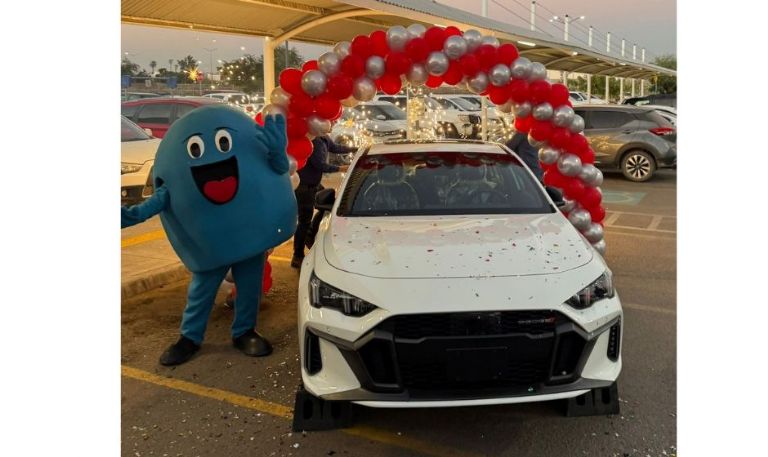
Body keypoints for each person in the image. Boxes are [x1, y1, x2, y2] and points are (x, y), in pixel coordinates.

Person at [121, 107, 297, 366]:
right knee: (201, 291)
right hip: (208, 245)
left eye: (223, 143)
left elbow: (278, 171)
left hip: (248, 237)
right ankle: (189, 338)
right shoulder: (174, 177)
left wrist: (277, 152)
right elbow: (148, 208)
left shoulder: (253, 150)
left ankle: (244, 331)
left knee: (249, 286)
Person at [291, 135, 355, 268]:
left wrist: (356, 149)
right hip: (304, 187)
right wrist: (340, 168)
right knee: (304, 221)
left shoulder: (323, 138)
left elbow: (336, 147)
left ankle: (308, 240)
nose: (333, 123)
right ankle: (297, 256)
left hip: (312, 184)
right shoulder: (314, 141)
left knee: (318, 209)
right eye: (331, 121)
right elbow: (320, 165)